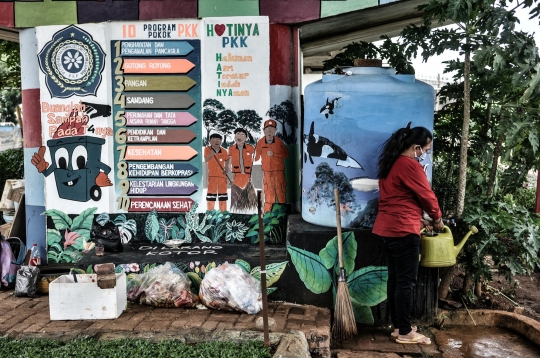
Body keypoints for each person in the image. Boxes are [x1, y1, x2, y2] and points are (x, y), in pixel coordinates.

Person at [372, 122, 444, 345]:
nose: (425, 155)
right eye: (425, 150)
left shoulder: (390, 164)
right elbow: (427, 196)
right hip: (403, 232)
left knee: (395, 280)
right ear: (416, 147)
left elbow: (396, 200)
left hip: (387, 228)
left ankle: (398, 326)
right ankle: (405, 332)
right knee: (406, 282)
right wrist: (437, 218)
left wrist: (419, 219)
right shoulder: (409, 166)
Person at [254, 119, 289, 212]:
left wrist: (275, 154)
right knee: (269, 192)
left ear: (275, 130)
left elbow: (286, 155)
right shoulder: (260, 143)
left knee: (280, 192)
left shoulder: (279, 142)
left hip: (279, 171)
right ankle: (268, 213)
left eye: (272, 129)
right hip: (267, 172)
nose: (269, 131)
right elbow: (256, 158)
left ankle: (282, 213)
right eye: (267, 129)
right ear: (263, 130)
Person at [204, 133, 230, 211]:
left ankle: (223, 211)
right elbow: (206, 160)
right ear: (210, 140)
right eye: (214, 139)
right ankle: (210, 211)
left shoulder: (224, 151)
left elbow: (227, 159)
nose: (217, 141)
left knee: (223, 196)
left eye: (219, 139)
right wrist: (211, 154)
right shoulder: (207, 149)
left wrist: (226, 167)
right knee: (211, 196)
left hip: (222, 177)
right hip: (212, 177)